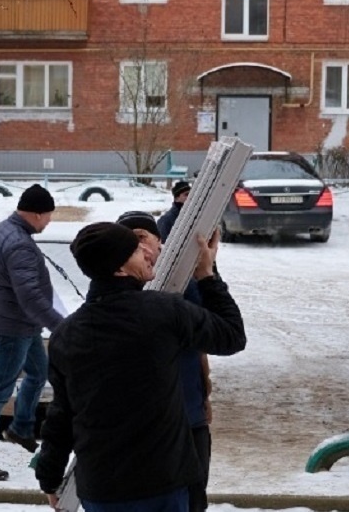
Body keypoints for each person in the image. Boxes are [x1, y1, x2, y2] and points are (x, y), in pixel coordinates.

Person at [35, 222, 245, 512]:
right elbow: (232, 336)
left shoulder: (66, 336)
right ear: (119, 270)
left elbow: (62, 415)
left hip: (102, 490)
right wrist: (207, 276)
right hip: (162, 485)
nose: (148, 253)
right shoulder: (165, 312)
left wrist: (49, 478)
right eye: (136, 250)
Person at [116, 210, 213, 512]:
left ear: (161, 244)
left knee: (195, 499)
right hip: (140, 424)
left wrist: (207, 273)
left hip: (189, 416)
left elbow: (214, 333)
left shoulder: (185, 283)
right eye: (130, 244)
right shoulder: (113, 292)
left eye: (143, 238)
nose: (140, 249)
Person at [0, 183, 64, 481]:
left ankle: (21, 427)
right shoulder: (20, 244)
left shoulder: (3, 229)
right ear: (36, 214)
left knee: (38, 372)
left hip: (17, 322)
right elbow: (30, 296)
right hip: (12, 327)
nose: (48, 221)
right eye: (48, 215)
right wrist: (60, 326)